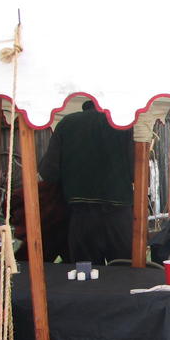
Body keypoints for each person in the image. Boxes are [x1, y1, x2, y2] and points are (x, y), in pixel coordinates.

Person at [38, 100, 134, 264]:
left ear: (85, 105)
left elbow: (49, 172)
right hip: (119, 215)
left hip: (82, 215)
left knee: (86, 273)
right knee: (123, 271)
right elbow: (135, 172)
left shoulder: (67, 123)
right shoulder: (123, 123)